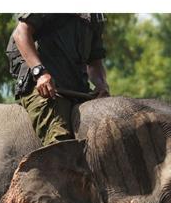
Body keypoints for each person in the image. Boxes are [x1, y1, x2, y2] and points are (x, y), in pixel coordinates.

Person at [6, 13, 109, 146]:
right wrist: (40, 73)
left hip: (78, 88)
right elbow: (20, 33)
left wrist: (102, 86)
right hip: (43, 85)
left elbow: (95, 61)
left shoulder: (95, 16)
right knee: (60, 141)